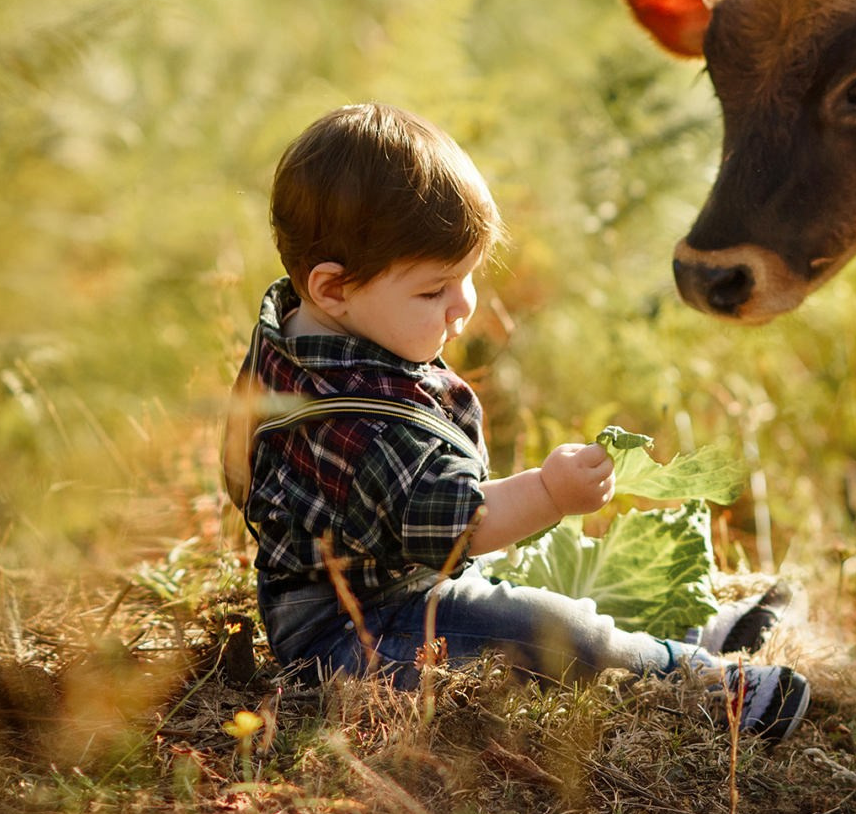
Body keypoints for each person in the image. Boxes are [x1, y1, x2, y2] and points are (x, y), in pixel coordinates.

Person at [222, 102, 809, 739]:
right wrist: (549, 492)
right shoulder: (364, 431)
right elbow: (463, 529)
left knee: (535, 572)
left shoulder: (295, 327)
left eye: (468, 277)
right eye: (434, 290)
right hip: (357, 633)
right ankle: (695, 680)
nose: (463, 305)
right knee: (548, 629)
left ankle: (690, 624)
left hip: (398, 572)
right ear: (333, 288)